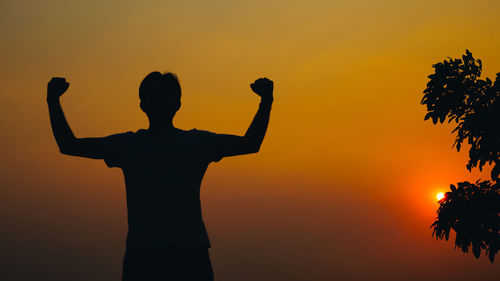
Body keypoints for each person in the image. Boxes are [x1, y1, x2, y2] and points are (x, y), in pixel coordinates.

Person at [46, 72, 273, 281]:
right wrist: (53, 101)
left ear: (177, 104)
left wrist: (266, 102)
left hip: (183, 252)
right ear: (143, 104)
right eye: (155, 97)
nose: (160, 103)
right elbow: (69, 145)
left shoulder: (192, 143)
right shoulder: (132, 145)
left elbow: (250, 144)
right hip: (151, 253)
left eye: (165, 97)